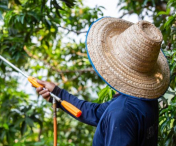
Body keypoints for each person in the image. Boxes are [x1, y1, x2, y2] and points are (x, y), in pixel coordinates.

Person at [33, 17, 170, 146]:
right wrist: (57, 93)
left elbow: (115, 115)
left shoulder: (121, 112)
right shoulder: (143, 99)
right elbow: (96, 113)